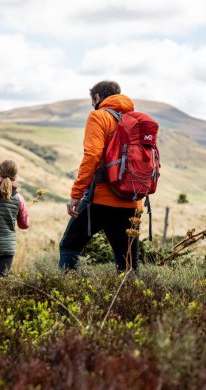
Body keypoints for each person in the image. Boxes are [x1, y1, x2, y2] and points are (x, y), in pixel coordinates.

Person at [59, 80, 140, 273]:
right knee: (128, 263)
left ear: (97, 97)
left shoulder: (98, 117)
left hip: (100, 198)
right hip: (131, 200)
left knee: (69, 246)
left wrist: (76, 195)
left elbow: (92, 156)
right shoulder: (136, 120)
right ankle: (133, 300)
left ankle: (65, 293)